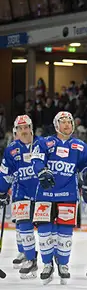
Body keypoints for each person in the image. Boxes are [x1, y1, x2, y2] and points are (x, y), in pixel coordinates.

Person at [31, 111, 87, 285]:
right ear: (56, 125)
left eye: (69, 121)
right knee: (44, 233)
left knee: (65, 234)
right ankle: (47, 264)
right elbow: (36, 160)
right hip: (45, 195)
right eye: (63, 122)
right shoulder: (45, 142)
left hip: (68, 195)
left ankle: (63, 264)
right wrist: (42, 171)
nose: (67, 124)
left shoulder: (80, 146)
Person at [0, 116, 40, 278]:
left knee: (46, 231)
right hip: (21, 193)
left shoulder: (42, 144)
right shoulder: (11, 149)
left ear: (31, 128)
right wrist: (2, 191)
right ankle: (30, 259)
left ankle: (53, 263)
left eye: (26, 127)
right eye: (20, 128)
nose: (24, 131)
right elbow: (5, 173)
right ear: (16, 131)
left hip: (42, 194)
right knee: (24, 226)